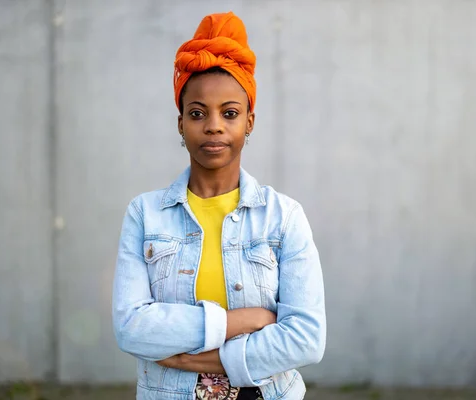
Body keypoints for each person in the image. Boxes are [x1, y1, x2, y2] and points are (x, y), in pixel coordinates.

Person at [112, 11, 326, 400]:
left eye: (229, 113)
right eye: (197, 113)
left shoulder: (283, 218)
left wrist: (197, 358)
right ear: (180, 124)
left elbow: (307, 339)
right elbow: (131, 328)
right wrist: (240, 322)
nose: (213, 126)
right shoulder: (144, 215)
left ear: (249, 122)